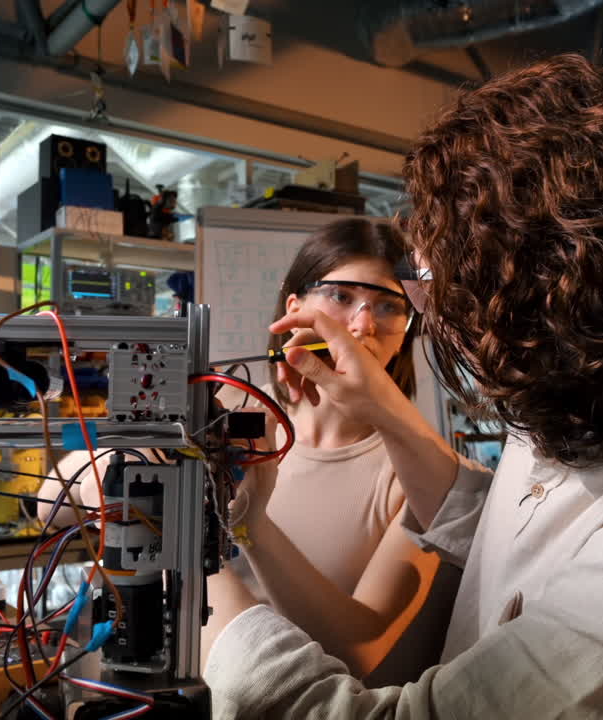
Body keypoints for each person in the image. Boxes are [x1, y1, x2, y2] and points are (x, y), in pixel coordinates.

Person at [202, 53, 603, 718]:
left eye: (443, 290)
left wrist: (186, 562)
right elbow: (503, 526)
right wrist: (380, 405)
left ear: (564, 298)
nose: (433, 314)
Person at [41, 218, 449, 684]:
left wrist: (248, 525)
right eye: (341, 296)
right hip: (144, 685)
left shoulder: (423, 478)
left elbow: (361, 652)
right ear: (294, 307)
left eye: (388, 306)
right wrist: (140, 473)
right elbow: (50, 503)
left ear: (405, 332)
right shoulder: (223, 408)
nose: (362, 325)